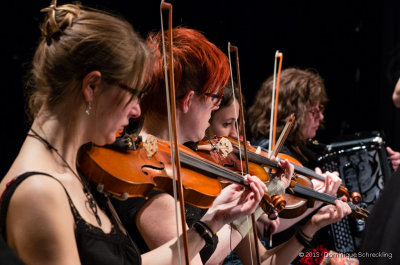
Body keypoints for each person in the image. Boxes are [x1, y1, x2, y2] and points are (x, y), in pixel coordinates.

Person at [0, 3, 267, 265]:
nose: (137, 111)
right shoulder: (39, 192)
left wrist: (212, 222)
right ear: (92, 86)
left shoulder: (73, 168)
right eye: (133, 94)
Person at [206, 79, 351, 265]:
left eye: (237, 124)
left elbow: (260, 262)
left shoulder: (229, 181)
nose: (236, 135)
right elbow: (201, 260)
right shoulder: (183, 187)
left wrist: (311, 226)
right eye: (227, 124)